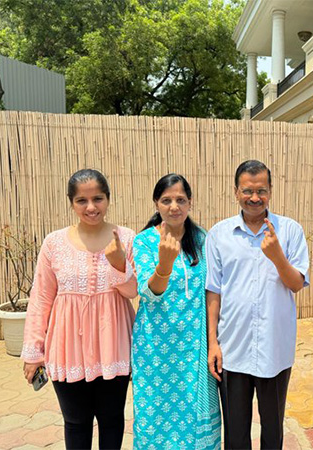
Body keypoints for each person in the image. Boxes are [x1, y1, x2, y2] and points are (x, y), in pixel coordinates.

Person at [21, 169, 137, 450]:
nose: (91, 207)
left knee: (111, 420)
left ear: (108, 199)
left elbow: (133, 292)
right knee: (75, 422)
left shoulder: (126, 238)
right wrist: (34, 352)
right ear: (71, 203)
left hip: (114, 346)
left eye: (98, 198)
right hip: (67, 346)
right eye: (81, 201)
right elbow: (41, 298)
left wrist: (119, 262)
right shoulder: (54, 243)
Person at [206, 160, 309, 450]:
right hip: (232, 348)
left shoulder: (289, 231)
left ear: (271, 191)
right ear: (236, 192)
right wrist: (213, 343)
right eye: (247, 191)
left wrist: (277, 255)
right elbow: (213, 293)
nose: (254, 198)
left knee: (273, 428)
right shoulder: (219, 234)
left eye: (261, 190)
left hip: (274, 348)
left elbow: (297, 284)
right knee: (235, 433)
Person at [131, 174, 221, 450]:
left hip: (194, 344)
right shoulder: (144, 241)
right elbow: (148, 292)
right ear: (156, 204)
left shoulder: (202, 238)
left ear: (190, 203)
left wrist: (213, 340)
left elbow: (212, 290)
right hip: (155, 347)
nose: (174, 206)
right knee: (155, 414)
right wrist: (165, 265)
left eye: (181, 200)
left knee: (196, 415)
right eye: (166, 200)